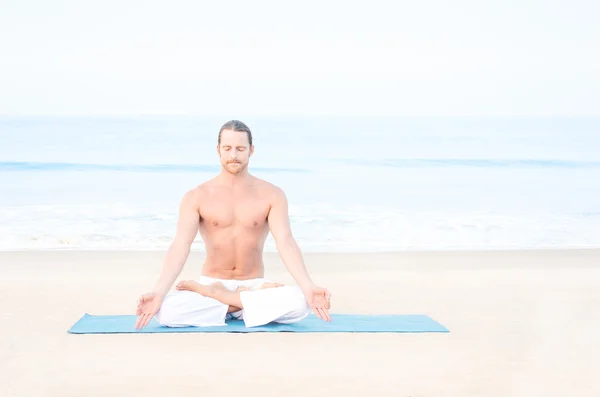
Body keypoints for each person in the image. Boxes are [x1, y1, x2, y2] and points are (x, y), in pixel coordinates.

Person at [135, 120, 332, 329]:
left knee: (301, 302)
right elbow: (180, 245)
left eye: (240, 149)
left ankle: (222, 300)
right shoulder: (197, 196)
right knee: (165, 311)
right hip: (216, 283)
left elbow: (285, 242)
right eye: (227, 148)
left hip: (252, 284)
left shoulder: (271, 194)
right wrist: (158, 292)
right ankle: (240, 305)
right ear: (218, 150)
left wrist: (309, 286)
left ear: (251, 150)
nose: (233, 156)